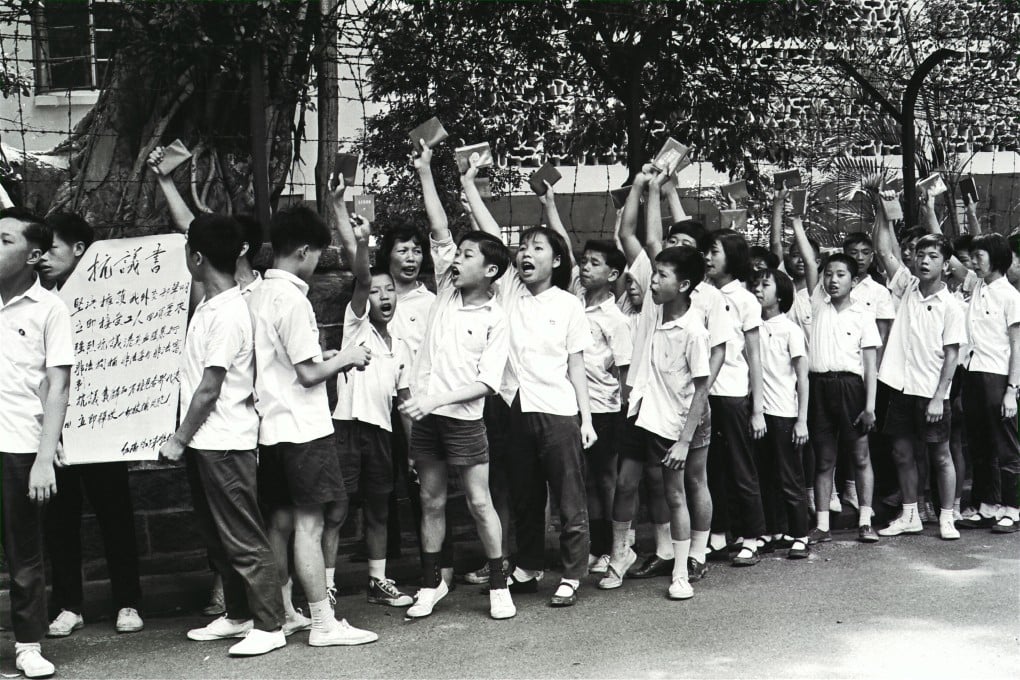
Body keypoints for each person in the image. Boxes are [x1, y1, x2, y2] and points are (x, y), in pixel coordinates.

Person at [461, 158, 596, 608]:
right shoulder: (509, 290)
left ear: (555, 261)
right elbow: (490, 234)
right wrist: (470, 186)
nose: (525, 253)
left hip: (557, 410)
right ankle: (530, 565)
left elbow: (576, 364)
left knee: (569, 499)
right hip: (512, 406)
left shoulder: (569, 304)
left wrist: (587, 418)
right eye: (523, 247)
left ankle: (572, 574)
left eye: (537, 248)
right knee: (524, 496)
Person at [157, 215, 287, 657]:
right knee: (219, 538)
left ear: (196, 257)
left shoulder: (229, 314)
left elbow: (209, 388)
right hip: (206, 442)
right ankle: (238, 615)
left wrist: (178, 438)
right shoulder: (210, 305)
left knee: (244, 537)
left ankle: (270, 625)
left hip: (225, 442)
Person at [246, 205, 377, 646]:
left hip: (272, 428)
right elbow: (306, 373)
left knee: (280, 522)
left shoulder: (259, 293)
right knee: (310, 525)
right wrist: (346, 357)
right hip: (304, 429)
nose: (319, 262)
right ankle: (322, 622)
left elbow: (281, 363)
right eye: (318, 253)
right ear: (303, 251)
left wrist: (325, 358)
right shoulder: (293, 300)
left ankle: (285, 612)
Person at [34, 213, 144, 638]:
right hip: (55, 430)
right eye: (39, 251)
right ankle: (68, 605)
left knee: (116, 515)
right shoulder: (36, 301)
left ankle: (129, 602)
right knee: (59, 521)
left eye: (52, 249)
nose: (43, 259)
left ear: (79, 249)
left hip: (104, 427)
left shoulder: (114, 294)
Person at [400, 228, 516, 620]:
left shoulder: (496, 318)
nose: (457, 260)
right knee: (430, 501)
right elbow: (438, 232)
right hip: (428, 420)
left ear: (490, 270)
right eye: (458, 253)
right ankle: (432, 583)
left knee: (479, 502)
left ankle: (499, 585)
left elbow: (487, 383)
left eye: (467, 255)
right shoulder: (447, 292)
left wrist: (435, 399)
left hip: (464, 422)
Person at [533, 182, 632, 576]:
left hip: (604, 409)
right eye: (585, 262)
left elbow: (624, 373)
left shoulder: (616, 320)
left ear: (613, 274)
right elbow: (563, 246)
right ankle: (586, 546)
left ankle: (610, 548)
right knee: (577, 479)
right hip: (568, 405)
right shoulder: (573, 300)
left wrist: (623, 414)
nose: (585, 267)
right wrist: (550, 204)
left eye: (594, 263)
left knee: (604, 479)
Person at [327, 188, 415, 608]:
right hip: (346, 429)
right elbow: (362, 277)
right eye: (377, 291)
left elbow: (405, 403)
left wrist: (413, 451)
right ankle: (326, 585)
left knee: (380, 509)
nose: (384, 296)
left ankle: (378, 581)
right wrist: (362, 242)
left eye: (390, 290)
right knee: (336, 511)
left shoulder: (402, 345)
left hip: (381, 433)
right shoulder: (355, 326)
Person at [0, 208, 73, 678]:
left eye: (5, 240)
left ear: (33, 255)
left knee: (23, 553)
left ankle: (27, 646)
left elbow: (58, 385)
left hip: (19, 444)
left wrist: (45, 456)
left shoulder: (50, 309)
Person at [872, 216, 964, 541]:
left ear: (945, 265)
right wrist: (882, 208)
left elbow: (952, 355)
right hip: (901, 386)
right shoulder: (907, 286)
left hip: (931, 392)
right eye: (920, 255)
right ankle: (910, 515)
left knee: (940, 456)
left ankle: (947, 517)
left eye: (933, 256)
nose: (924, 261)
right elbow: (884, 251)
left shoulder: (951, 305)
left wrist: (939, 396)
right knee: (901, 453)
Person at [802, 252, 882, 544]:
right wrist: (796, 226)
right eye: (828, 274)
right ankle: (822, 526)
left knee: (860, 456)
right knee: (824, 459)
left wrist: (870, 406)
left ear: (854, 280)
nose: (833, 280)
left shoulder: (863, 315)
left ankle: (865, 521)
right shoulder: (817, 303)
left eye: (840, 275)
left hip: (851, 388)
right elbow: (809, 261)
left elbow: (870, 366)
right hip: (819, 386)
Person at [702, 228, 769, 565]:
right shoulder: (701, 294)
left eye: (714, 252)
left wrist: (757, 409)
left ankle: (753, 537)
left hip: (731, 394)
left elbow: (754, 356)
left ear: (732, 257)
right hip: (704, 394)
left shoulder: (744, 299)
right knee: (711, 468)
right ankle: (718, 535)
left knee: (741, 468)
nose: (708, 258)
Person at [957, 233, 1020, 533]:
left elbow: (1017, 346)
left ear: (996, 258)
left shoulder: (1010, 296)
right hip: (972, 372)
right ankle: (987, 506)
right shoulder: (976, 286)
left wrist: (1011, 389)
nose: (973, 262)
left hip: (998, 376)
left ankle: (1013, 509)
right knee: (980, 445)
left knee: (1006, 446)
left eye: (979, 256)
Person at [750, 266, 811, 559]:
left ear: (781, 295)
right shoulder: (751, 328)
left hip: (784, 412)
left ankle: (801, 534)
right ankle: (775, 531)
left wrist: (802, 420)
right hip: (757, 413)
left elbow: (802, 377)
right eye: (756, 285)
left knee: (790, 477)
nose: (758, 290)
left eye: (765, 285)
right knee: (765, 475)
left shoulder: (791, 330)